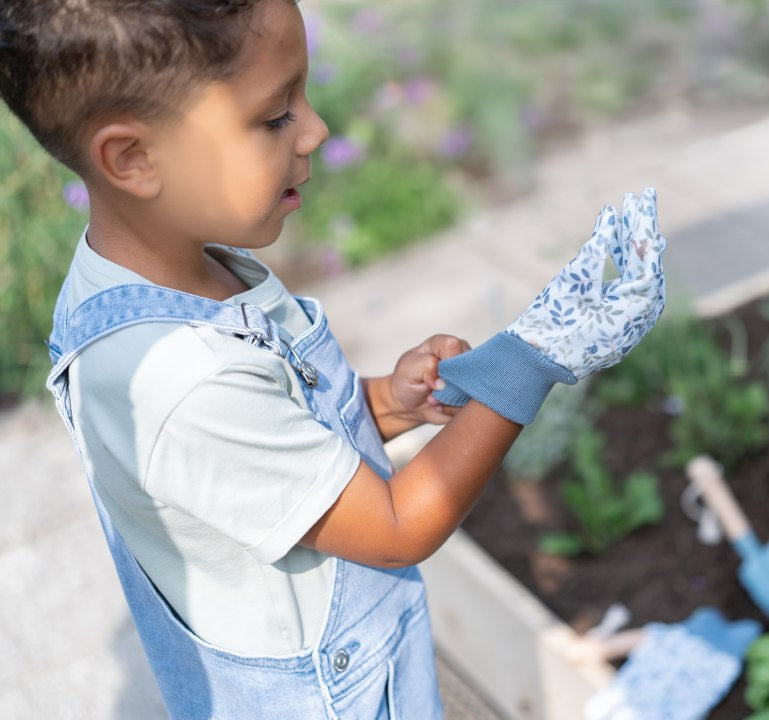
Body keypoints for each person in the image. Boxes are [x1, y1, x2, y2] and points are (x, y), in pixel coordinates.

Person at [0, 0, 666, 717]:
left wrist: (387, 402)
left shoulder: (182, 267)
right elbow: (394, 528)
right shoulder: (179, 378)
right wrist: (533, 357)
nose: (316, 128)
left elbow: (281, 433)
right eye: (274, 115)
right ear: (133, 158)